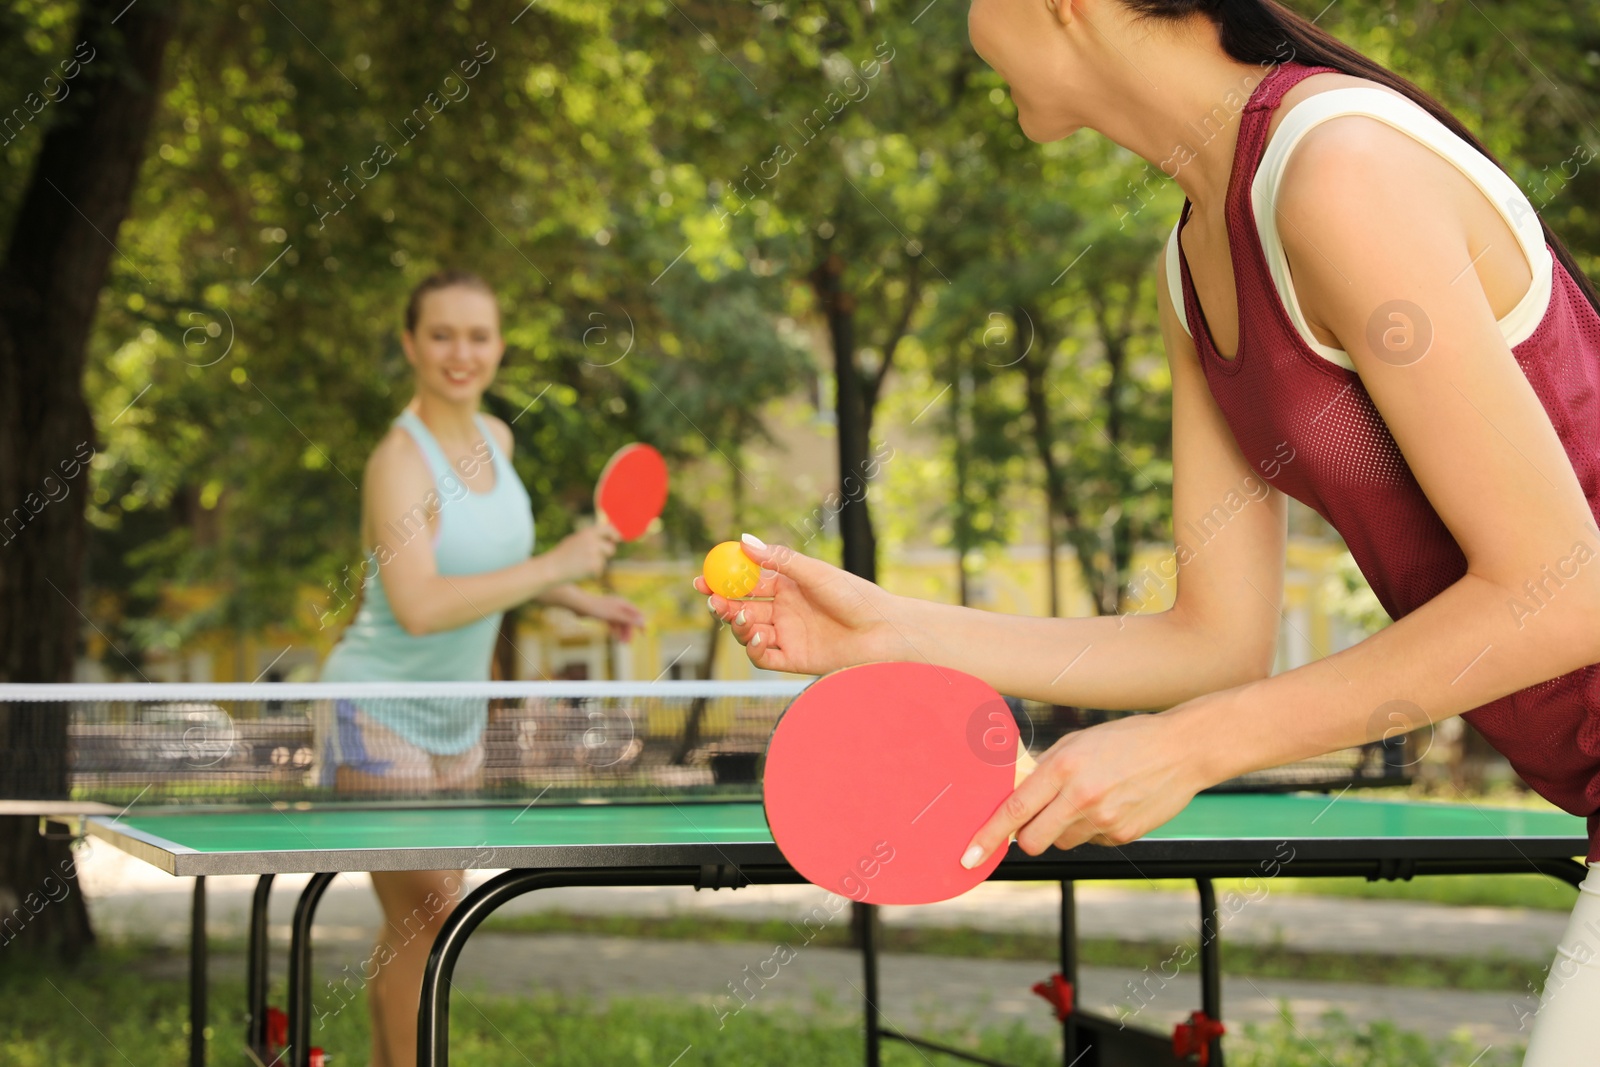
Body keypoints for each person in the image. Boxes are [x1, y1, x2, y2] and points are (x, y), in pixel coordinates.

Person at [703, 3, 1600, 1062]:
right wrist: (890, 631)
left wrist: (1189, 746)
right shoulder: (1195, 260)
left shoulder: (1340, 168)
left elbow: (1563, 588)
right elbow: (1213, 638)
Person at [318, 269, 643, 1067]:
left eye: (478, 335)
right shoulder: (399, 460)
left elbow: (500, 558)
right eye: (441, 335)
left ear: (498, 346)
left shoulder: (496, 437)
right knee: (429, 907)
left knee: (420, 922)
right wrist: (551, 568)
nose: (460, 353)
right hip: (376, 709)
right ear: (410, 344)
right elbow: (421, 602)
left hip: (457, 716)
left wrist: (574, 594)